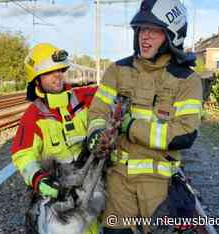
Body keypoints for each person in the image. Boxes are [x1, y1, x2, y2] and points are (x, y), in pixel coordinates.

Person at [86, 0, 202, 233]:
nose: (145, 37)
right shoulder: (117, 70)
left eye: (155, 30)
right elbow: (98, 110)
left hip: (158, 185)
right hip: (118, 179)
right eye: (142, 29)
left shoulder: (187, 80)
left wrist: (130, 127)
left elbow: (184, 134)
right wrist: (96, 133)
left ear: (172, 36)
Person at [11, 43, 98, 234]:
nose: (58, 76)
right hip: (58, 192)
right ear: (36, 80)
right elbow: (23, 155)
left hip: (92, 185)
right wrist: (38, 179)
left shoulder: (83, 98)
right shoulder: (33, 115)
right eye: (50, 72)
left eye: (60, 70)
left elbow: (110, 97)